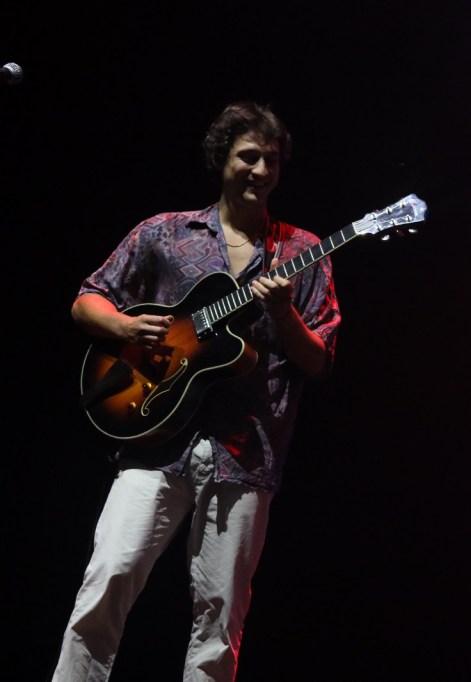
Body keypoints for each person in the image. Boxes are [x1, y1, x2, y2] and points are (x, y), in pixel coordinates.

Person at [53, 101, 341, 681]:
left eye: (272, 160)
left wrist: (284, 316)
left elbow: (319, 360)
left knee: (219, 621)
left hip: (246, 453)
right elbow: (89, 298)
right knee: (106, 578)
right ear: (221, 159)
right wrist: (126, 328)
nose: (261, 170)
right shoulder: (165, 233)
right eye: (249, 156)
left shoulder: (302, 252)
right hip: (154, 439)